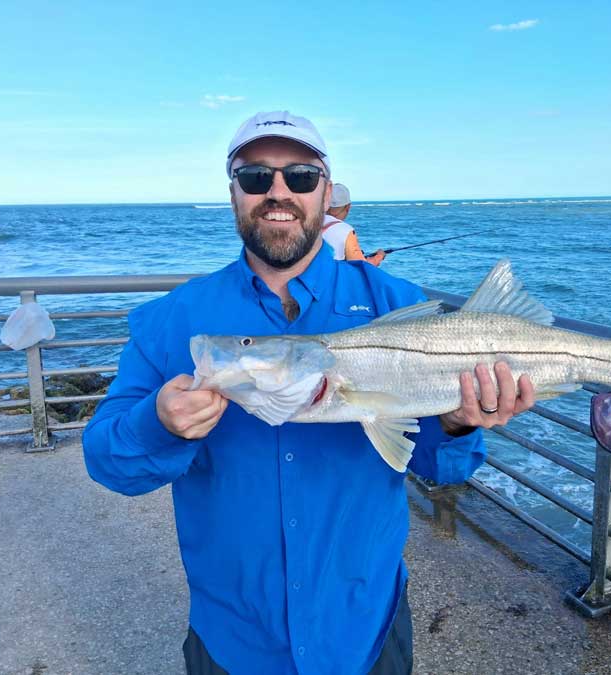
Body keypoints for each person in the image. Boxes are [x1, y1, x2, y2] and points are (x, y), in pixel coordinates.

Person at [82, 110, 535, 675]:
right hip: (233, 635)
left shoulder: (397, 303)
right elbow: (109, 463)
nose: (277, 193)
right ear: (233, 193)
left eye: (298, 176)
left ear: (325, 191)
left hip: (365, 624)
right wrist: (158, 423)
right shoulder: (173, 322)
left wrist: (459, 423)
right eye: (255, 177)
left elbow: (441, 468)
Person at [323, 183, 386, 266]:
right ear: (348, 207)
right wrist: (378, 257)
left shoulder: (308, 223)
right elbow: (361, 266)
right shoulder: (345, 230)